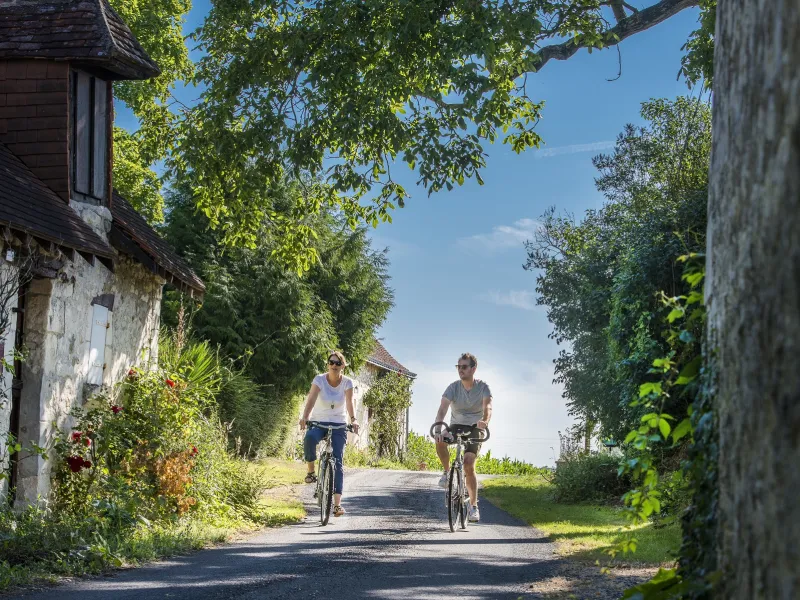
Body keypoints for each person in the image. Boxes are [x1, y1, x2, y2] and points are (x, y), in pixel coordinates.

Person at [432, 352, 492, 522]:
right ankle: (446, 473)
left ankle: (473, 506)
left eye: (464, 367)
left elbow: (488, 407)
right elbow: (442, 408)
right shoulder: (453, 387)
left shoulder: (483, 387)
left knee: (468, 464)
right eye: (458, 367)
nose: (460, 370)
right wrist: (438, 426)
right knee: (440, 440)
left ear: (473, 369)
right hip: (456, 425)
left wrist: (485, 421)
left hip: (475, 427)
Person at [299, 351, 360, 517]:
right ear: (328, 364)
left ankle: (337, 505)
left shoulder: (347, 383)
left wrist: (353, 420)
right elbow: (311, 398)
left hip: (338, 425)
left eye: (337, 363)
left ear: (343, 366)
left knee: (338, 462)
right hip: (319, 422)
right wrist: (305, 417)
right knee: (310, 438)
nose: (334, 365)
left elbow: (349, 402)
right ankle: (311, 472)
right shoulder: (319, 379)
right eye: (331, 362)